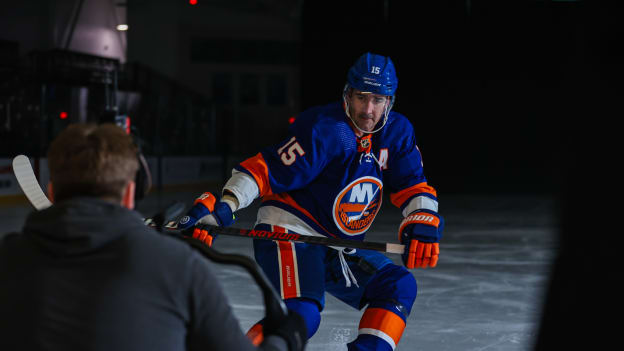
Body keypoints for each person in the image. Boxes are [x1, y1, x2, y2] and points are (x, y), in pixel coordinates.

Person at [179, 52, 444, 350]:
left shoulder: (397, 133)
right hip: (290, 233)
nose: (368, 110)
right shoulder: (326, 129)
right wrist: (224, 206)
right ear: (348, 94)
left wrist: (421, 221)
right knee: (303, 313)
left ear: (390, 102)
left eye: (378, 99)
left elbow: (412, 185)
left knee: (397, 285)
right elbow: (264, 171)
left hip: (336, 243)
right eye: (362, 97)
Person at [0, 123, 307, 351]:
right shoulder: (179, 268)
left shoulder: (8, 258)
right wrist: (284, 339)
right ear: (131, 193)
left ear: (52, 191)